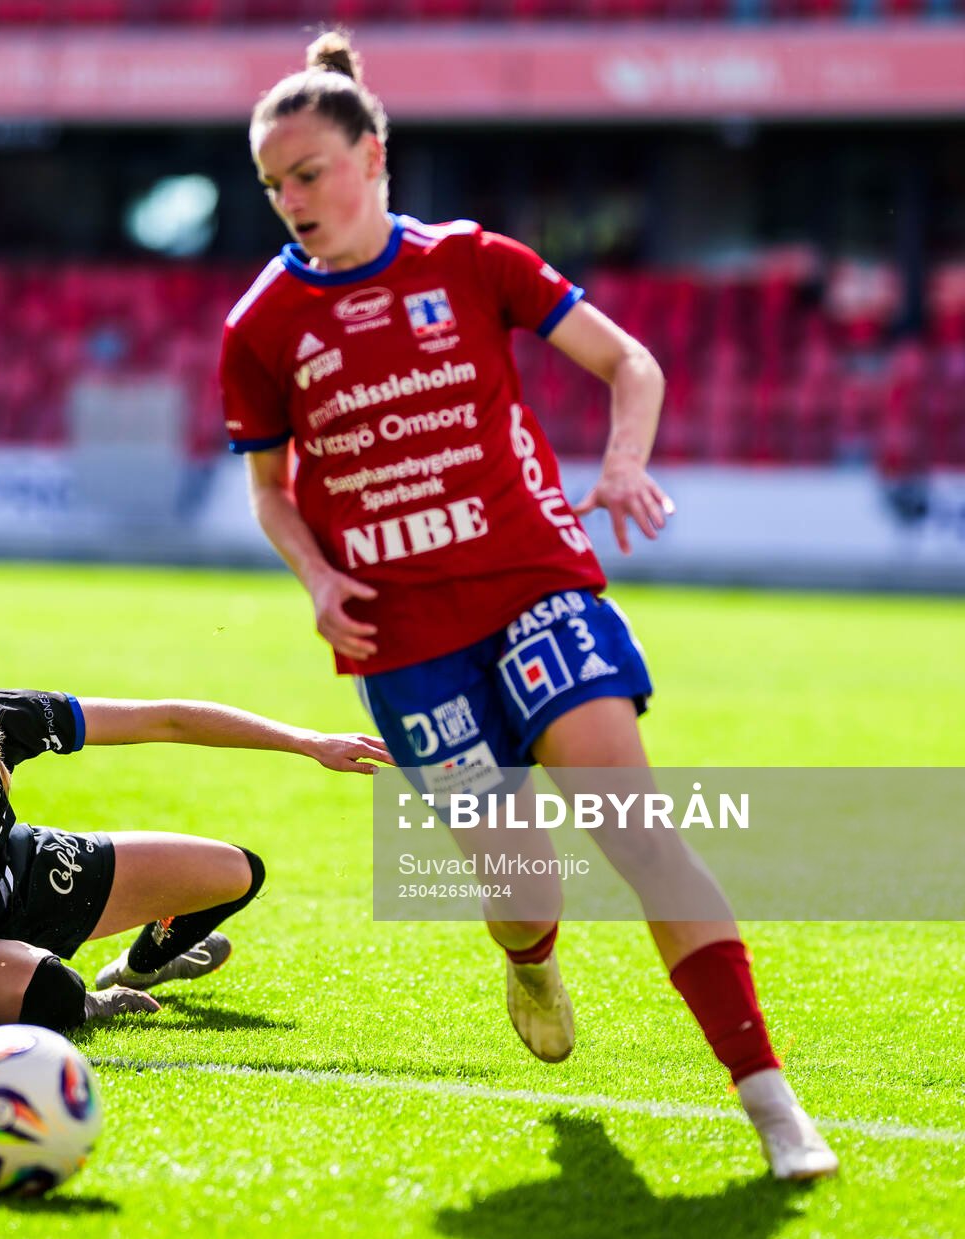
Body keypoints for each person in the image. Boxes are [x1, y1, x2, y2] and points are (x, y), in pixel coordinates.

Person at [220, 32, 837, 1180]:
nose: (291, 200)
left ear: (374, 155)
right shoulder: (259, 328)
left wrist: (621, 464)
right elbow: (270, 489)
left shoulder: (473, 260)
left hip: (534, 585)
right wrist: (317, 578)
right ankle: (530, 956)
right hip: (399, 635)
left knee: (638, 832)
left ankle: (772, 1105)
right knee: (521, 890)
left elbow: (630, 363)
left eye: (308, 172)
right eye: (272, 184)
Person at [0, 648, 391, 1061]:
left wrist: (308, 742)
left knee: (235, 873)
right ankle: (93, 998)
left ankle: (143, 965)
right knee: (55, 995)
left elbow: (166, 720)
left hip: (15, 875)